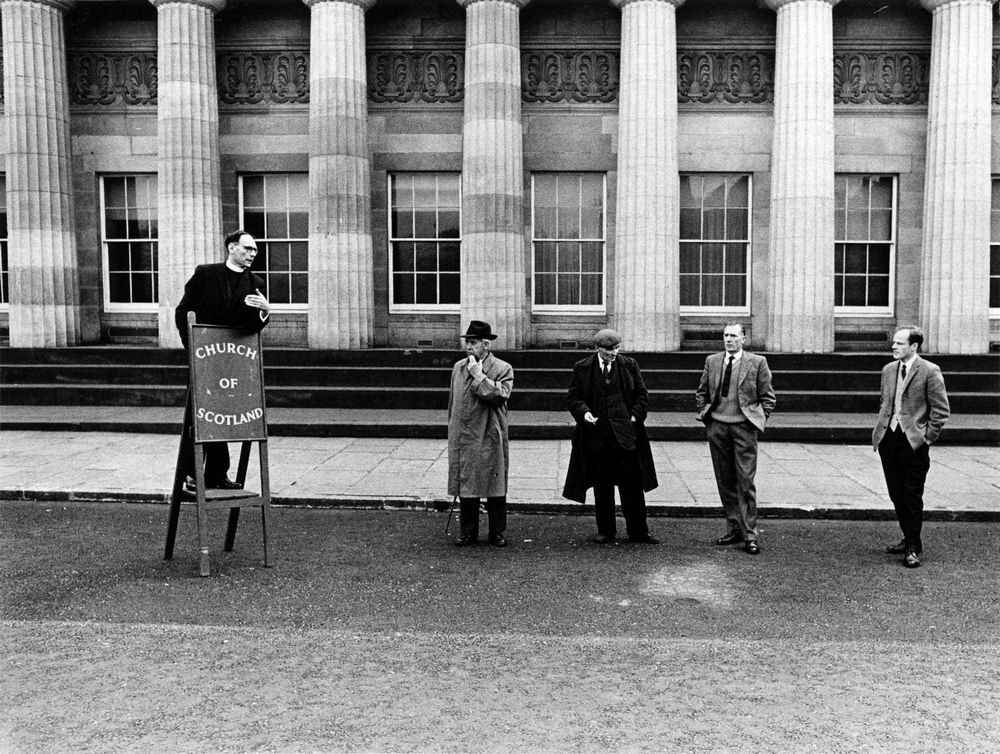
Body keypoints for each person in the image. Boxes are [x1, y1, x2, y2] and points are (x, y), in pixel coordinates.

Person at [175, 229, 271, 492]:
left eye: (254, 250)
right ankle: (189, 475)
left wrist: (265, 313)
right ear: (231, 247)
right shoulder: (206, 274)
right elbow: (183, 310)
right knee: (199, 417)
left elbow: (251, 327)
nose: (252, 254)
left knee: (223, 416)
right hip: (203, 357)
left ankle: (217, 475)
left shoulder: (256, 283)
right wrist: (192, 347)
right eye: (247, 248)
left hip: (233, 361)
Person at [563, 328, 659, 544]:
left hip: (627, 437)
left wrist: (635, 417)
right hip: (597, 437)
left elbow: (642, 396)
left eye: (616, 348)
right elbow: (573, 398)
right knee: (602, 485)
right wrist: (584, 413)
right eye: (608, 351)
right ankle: (606, 531)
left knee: (632, 485)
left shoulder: (629, 365)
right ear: (598, 349)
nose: (614, 353)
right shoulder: (583, 368)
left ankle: (638, 532)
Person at [872, 326, 950, 568]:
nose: (893, 347)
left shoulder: (929, 371)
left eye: (899, 343)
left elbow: (941, 409)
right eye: (894, 343)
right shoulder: (888, 370)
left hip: (914, 441)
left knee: (912, 494)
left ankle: (914, 547)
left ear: (914, 346)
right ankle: (908, 537)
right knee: (896, 493)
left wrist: (927, 438)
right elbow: (885, 402)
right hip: (889, 439)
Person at [695, 323, 775, 555]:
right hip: (718, 426)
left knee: (745, 481)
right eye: (726, 336)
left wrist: (755, 421)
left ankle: (750, 534)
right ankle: (734, 528)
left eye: (733, 336)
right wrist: (706, 415)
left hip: (743, 428)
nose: (729, 340)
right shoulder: (712, 361)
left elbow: (768, 397)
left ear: (743, 338)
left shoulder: (757, 362)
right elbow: (702, 391)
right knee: (725, 479)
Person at [447, 320, 514, 547]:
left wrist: (479, 376)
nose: (468, 346)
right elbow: (452, 402)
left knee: (495, 484)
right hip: (464, 434)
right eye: (467, 342)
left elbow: (500, 396)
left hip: (489, 433)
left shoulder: (503, 368)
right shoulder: (458, 367)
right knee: (467, 483)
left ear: (486, 345)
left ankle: (497, 532)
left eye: (473, 343)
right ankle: (468, 531)